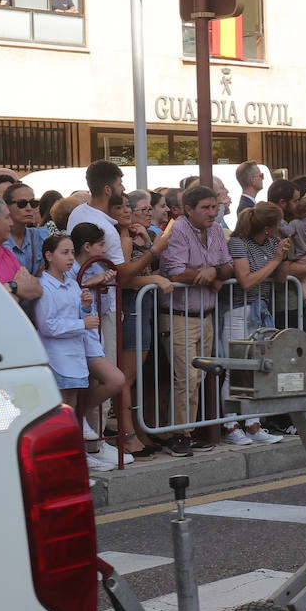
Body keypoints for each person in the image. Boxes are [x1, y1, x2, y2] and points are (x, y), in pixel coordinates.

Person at [157, 185, 231, 457]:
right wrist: (210, 276)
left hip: (205, 314)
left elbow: (228, 266)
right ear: (188, 209)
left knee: (197, 376)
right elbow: (176, 273)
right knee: (186, 376)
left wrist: (214, 271)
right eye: (206, 208)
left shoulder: (216, 230)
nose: (212, 212)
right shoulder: (176, 230)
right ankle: (178, 435)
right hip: (179, 316)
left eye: (214, 207)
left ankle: (186, 431)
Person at [34, 233, 112, 472]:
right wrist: (82, 323)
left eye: (71, 253)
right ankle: (60, 464)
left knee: (72, 411)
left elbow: (78, 312)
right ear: (49, 256)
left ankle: (74, 461)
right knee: (60, 413)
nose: (70, 258)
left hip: (74, 354)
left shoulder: (70, 282)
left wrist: (86, 306)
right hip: (58, 357)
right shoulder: (45, 286)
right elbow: (47, 325)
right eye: (64, 253)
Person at [220, 205, 289, 446]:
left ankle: (253, 424)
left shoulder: (271, 244)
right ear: (268, 227)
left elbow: (280, 279)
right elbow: (246, 281)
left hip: (260, 311)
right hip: (239, 311)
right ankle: (231, 426)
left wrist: (283, 257)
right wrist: (276, 259)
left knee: (257, 370)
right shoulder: (239, 243)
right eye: (278, 224)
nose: (281, 228)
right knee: (235, 370)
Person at [117, 189, 174, 456]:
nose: (149, 213)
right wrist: (153, 277)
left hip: (145, 308)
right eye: (143, 209)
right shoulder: (124, 238)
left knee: (137, 376)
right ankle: (128, 434)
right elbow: (125, 278)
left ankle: (140, 430)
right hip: (131, 308)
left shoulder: (143, 234)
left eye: (150, 209)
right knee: (127, 377)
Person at [69, 222, 130, 463]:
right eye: (101, 244)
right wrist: (90, 282)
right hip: (77, 338)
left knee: (104, 381)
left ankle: (93, 441)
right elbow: (67, 297)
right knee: (102, 381)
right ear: (87, 246)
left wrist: (99, 282)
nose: (104, 250)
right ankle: (84, 437)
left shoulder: (95, 266)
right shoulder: (72, 270)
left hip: (93, 335)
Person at [67, 160, 126, 268]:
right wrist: (153, 251)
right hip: (99, 279)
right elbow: (122, 274)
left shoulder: (77, 212)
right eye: (120, 184)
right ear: (107, 190)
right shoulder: (107, 230)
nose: (123, 189)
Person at [2, 183, 49, 317]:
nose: (29, 208)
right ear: (6, 207)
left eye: (33, 203)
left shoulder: (41, 236)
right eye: (22, 204)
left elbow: (49, 276)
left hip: (38, 314)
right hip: (8, 313)